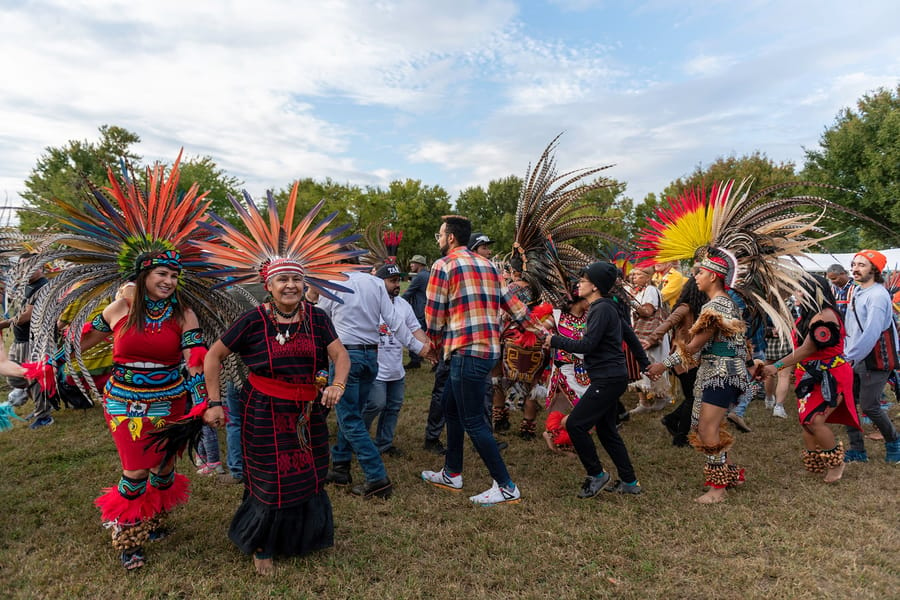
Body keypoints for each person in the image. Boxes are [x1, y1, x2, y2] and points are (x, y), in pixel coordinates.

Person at [198, 184, 357, 576]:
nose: (290, 287)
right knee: (270, 477)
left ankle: (304, 538)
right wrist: (215, 402)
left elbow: (340, 355)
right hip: (263, 411)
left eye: (297, 282)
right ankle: (262, 544)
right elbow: (213, 356)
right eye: (282, 281)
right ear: (267, 285)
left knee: (309, 472)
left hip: (308, 413)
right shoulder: (253, 320)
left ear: (305, 286)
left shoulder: (317, 318)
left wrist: (337, 385)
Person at [420, 215, 538, 505]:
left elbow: (434, 314)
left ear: (450, 238)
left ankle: (506, 486)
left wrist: (432, 345)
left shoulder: (443, 265)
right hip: (487, 352)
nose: (438, 239)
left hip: (466, 353)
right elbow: (513, 306)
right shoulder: (488, 265)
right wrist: (540, 331)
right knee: (450, 406)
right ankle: (452, 472)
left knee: (473, 420)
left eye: (439, 235)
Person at [314, 262, 429, 499]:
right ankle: (340, 467)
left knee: (349, 418)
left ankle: (376, 477)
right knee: (354, 413)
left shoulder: (334, 283)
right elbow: (395, 322)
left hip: (347, 357)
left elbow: (321, 318)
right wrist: (419, 347)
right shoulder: (376, 283)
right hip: (370, 357)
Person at [648, 252, 753, 504]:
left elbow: (693, 347)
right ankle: (729, 475)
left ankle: (718, 489)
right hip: (720, 372)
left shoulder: (715, 307)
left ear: (714, 277)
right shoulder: (725, 303)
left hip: (721, 374)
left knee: (707, 428)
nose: (695, 277)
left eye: (700, 273)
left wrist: (663, 364)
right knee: (708, 427)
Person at [544, 262, 651, 497]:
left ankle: (597, 475)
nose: (578, 284)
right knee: (607, 431)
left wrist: (556, 341)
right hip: (610, 377)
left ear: (594, 286)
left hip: (607, 379)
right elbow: (630, 335)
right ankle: (630, 483)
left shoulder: (601, 309)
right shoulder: (605, 307)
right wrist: (645, 364)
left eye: (583, 280)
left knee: (575, 424)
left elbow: (587, 345)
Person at [760, 275, 860, 482]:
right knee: (807, 421)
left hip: (830, 376)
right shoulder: (810, 314)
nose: (797, 294)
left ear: (814, 293)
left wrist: (776, 366)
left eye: (800, 290)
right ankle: (816, 461)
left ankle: (836, 463)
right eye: (796, 290)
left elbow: (806, 349)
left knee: (815, 420)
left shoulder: (825, 316)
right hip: (811, 375)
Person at [841, 249, 900, 463]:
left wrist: (850, 357)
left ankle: (894, 442)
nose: (855, 268)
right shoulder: (857, 291)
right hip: (854, 357)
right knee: (847, 403)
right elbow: (851, 328)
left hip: (872, 359)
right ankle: (857, 450)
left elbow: (872, 333)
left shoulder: (877, 295)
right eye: (854, 264)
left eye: (862, 265)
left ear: (874, 270)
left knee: (869, 406)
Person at [363, 263, 424, 455]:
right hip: (376, 368)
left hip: (396, 369)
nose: (397, 284)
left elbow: (415, 329)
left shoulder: (403, 305)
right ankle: (357, 437)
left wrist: (428, 347)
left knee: (393, 406)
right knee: (376, 404)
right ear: (379, 283)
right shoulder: (368, 304)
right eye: (392, 281)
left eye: (398, 280)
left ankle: (384, 443)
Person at [647, 275, 705, 447]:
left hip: (693, 359)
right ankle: (680, 437)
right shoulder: (685, 308)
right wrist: (651, 339)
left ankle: (672, 420)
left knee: (693, 397)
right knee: (693, 398)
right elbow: (668, 322)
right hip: (683, 360)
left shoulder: (699, 310)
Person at [0, 258, 51, 427]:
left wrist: (4, 324)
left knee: (35, 378)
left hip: (36, 341)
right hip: (21, 340)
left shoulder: (44, 286)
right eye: (22, 266)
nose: (26, 270)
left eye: (30, 266)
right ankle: (40, 405)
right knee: (15, 377)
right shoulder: (28, 285)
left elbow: (25, 316)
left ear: (41, 266)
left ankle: (43, 415)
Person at [627, 266, 671, 415]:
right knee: (640, 366)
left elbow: (647, 311)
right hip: (640, 334)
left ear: (647, 277)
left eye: (638, 274)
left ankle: (661, 397)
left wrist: (629, 300)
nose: (634, 277)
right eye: (633, 275)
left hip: (651, 336)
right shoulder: (638, 291)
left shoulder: (651, 290)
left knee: (652, 365)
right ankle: (644, 402)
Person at [401, 254, 429, 370]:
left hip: (419, 310)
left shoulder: (420, 277)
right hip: (427, 309)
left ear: (420, 264)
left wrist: (396, 302)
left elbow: (409, 293)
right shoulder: (427, 275)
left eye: (414, 263)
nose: (411, 265)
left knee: (415, 334)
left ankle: (415, 360)